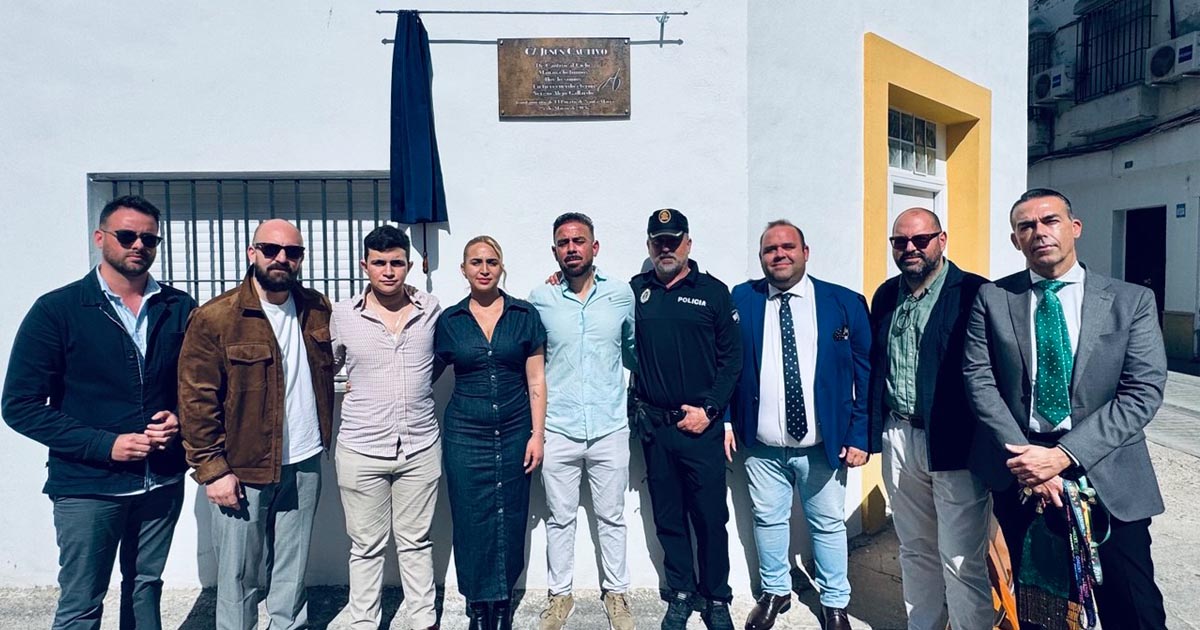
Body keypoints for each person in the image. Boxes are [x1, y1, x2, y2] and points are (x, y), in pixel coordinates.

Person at [964, 188, 1168, 629]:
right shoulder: (993, 299)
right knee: (1042, 607)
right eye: (1026, 227)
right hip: (1021, 471)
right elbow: (979, 380)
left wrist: (1061, 456)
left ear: (1074, 227)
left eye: (1050, 221)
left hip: (1108, 469)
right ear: (1016, 240)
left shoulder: (1130, 301)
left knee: (1134, 606)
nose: (1039, 233)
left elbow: (1142, 391)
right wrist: (1028, 460)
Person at [2, 195, 194, 630]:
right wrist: (105, 445)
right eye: (127, 235)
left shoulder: (178, 306)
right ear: (100, 237)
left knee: (145, 587)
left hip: (162, 478)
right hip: (88, 484)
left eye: (149, 238)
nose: (138, 245)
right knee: (82, 601)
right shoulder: (58, 310)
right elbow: (20, 405)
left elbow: (199, 383)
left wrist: (180, 416)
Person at [177, 219, 335, 630]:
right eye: (270, 249)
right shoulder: (216, 317)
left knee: (292, 566)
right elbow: (196, 401)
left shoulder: (316, 307)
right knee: (238, 574)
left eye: (293, 252)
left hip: (303, 460)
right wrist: (213, 471)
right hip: (241, 467)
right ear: (252, 253)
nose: (282, 258)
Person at [728, 220, 871, 630]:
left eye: (788, 246)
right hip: (762, 445)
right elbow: (724, 363)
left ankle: (835, 603)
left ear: (805, 252)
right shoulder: (743, 299)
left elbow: (866, 370)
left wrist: (859, 434)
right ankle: (775, 592)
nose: (780, 254)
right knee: (768, 520)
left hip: (823, 444)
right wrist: (724, 421)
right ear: (761, 258)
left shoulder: (842, 302)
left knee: (826, 524)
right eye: (770, 249)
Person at [866, 208, 992, 630]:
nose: (910, 249)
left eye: (920, 240)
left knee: (960, 556)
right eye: (900, 242)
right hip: (899, 435)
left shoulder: (975, 293)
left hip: (954, 442)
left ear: (942, 239)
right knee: (914, 547)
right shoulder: (886, 296)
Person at [629, 209, 741, 630]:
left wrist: (710, 410)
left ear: (688, 244)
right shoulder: (636, 291)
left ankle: (716, 598)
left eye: (673, 240)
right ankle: (679, 593)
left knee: (711, 518)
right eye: (658, 241)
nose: (665, 247)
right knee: (668, 516)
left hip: (701, 426)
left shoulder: (713, 292)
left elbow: (733, 359)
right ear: (649, 246)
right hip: (655, 428)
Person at [529, 213, 637, 630]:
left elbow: (632, 351)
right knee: (560, 518)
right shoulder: (541, 298)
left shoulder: (621, 296)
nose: (571, 248)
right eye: (563, 242)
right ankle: (561, 596)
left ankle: (617, 594)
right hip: (557, 427)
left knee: (611, 517)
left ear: (595, 247)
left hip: (610, 426)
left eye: (579, 240)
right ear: (554, 251)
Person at [330, 225, 442, 630]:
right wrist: (348, 385)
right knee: (366, 546)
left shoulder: (431, 308)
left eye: (397, 263)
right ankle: (363, 622)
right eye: (379, 263)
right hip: (361, 447)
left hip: (420, 446)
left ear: (409, 265)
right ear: (365, 266)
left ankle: (422, 619)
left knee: (416, 542)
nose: (389, 271)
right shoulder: (343, 315)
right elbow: (327, 367)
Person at [435, 235, 547, 630]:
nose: (484, 269)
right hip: (465, 433)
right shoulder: (449, 322)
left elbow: (536, 380)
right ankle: (478, 604)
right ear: (463, 270)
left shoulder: (524, 314)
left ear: (502, 268)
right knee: (470, 517)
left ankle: (502, 602)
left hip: (516, 430)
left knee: (510, 513)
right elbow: (422, 375)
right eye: (475, 262)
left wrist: (537, 435)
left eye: (492, 262)